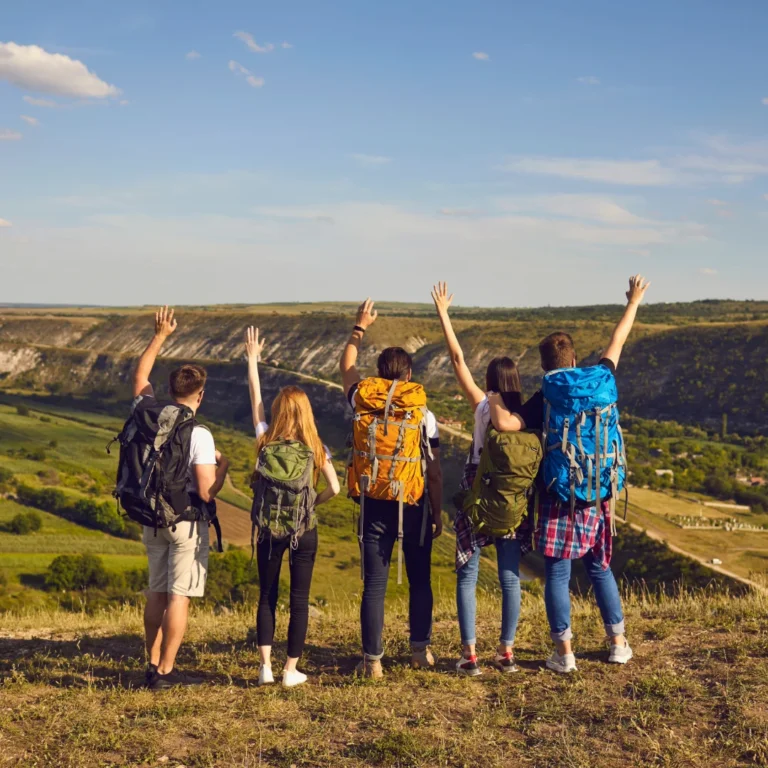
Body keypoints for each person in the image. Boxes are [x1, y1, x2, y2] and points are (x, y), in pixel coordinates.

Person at [489, 274, 651, 673]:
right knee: (599, 567)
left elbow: (507, 425)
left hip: (559, 493)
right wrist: (632, 301)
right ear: (575, 360)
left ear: (545, 367)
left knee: (558, 573)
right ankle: (618, 643)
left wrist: (493, 397)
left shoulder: (547, 395)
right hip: (599, 490)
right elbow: (617, 341)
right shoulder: (601, 378)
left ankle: (564, 654)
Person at [340, 299, 443, 680]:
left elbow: (346, 367)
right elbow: (433, 469)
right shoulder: (423, 414)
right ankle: (419, 652)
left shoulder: (362, 401)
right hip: (412, 503)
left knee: (374, 586)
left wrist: (360, 327)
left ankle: (372, 662)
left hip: (373, 501)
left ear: (380, 374)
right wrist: (437, 510)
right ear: (409, 374)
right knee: (420, 580)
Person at [431, 281, 528, 676]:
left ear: (490, 382)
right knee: (510, 578)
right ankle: (506, 652)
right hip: (512, 496)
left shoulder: (484, 407)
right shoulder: (525, 415)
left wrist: (444, 313)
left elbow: (457, 361)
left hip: (476, 489)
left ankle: (469, 654)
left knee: (468, 572)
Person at [133, 306, 230, 689]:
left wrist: (160, 335)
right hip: (185, 522)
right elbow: (205, 490)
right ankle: (166, 671)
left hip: (151, 515)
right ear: (200, 395)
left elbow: (140, 376)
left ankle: (151, 661)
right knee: (179, 596)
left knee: (156, 591)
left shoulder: (147, 413)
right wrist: (224, 468)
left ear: (171, 390)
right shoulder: (199, 434)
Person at [245, 326, 341, 688]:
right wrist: (311, 504)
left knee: (266, 596)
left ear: (278, 412)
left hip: (269, 528)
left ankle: (264, 668)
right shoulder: (317, 447)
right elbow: (335, 487)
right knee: (298, 600)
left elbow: (255, 399)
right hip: (303, 529)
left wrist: (252, 360)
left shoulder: (265, 441)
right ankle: (290, 671)